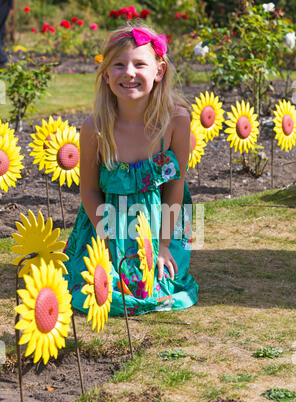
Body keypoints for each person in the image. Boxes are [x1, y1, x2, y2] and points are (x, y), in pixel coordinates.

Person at [64, 23, 199, 317]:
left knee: (156, 287)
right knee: (102, 289)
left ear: (159, 71)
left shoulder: (176, 120)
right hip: (106, 223)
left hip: (163, 222)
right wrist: (108, 238)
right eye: (119, 65)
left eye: (140, 64)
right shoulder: (95, 129)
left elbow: (176, 186)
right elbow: (88, 190)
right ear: (106, 74)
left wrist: (163, 245)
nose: (129, 72)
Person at [0, 0, 13, 66]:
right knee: (1, 32)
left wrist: (11, 7)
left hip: (3, 7)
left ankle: (3, 59)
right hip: (5, 7)